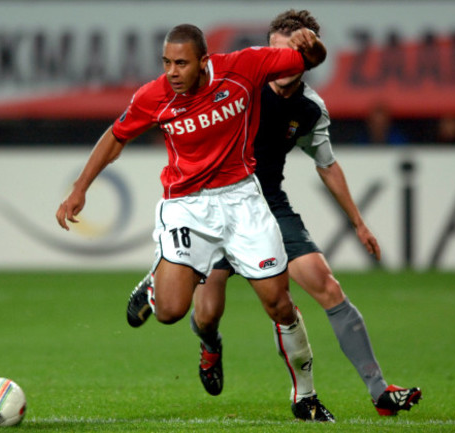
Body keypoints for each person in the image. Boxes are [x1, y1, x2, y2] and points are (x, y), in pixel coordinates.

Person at [127, 10, 422, 417]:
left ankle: (378, 392)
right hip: (214, 206)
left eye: (292, 52)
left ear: (306, 56)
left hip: (267, 208)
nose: (281, 61)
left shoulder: (310, 108)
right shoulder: (241, 83)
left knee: (326, 287)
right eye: (275, 51)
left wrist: (358, 221)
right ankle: (204, 336)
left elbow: (326, 163)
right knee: (206, 315)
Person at [57, 22, 334, 421]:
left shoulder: (244, 67)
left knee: (279, 304)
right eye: (166, 62)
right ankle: (158, 285)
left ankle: (305, 396)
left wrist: (314, 47)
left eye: (181, 63)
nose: (172, 72)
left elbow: (309, 60)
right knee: (171, 312)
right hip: (187, 205)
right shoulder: (155, 95)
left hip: (242, 200)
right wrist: (81, 187)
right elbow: (116, 136)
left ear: (204, 61)